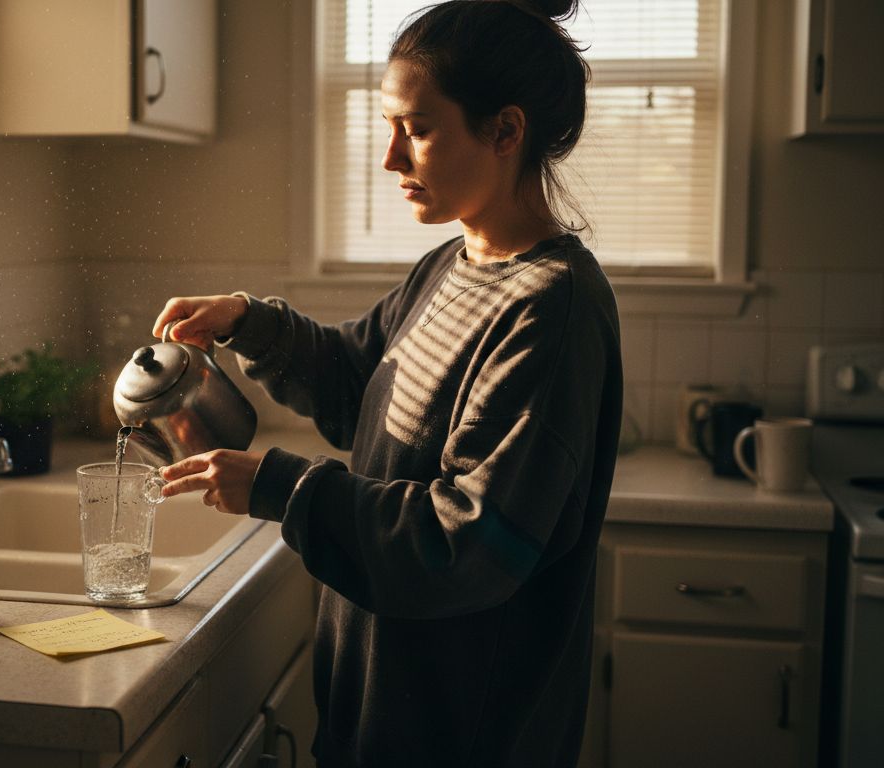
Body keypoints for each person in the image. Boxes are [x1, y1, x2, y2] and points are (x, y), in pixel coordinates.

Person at [149, 1, 622, 765]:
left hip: (466, 738)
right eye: (390, 126)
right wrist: (247, 321)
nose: (391, 159)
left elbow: (468, 541)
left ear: (506, 132)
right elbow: (355, 387)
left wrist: (284, 489)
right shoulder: (453, 264)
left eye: (420, 129)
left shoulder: (551, 310)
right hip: (380, 718)